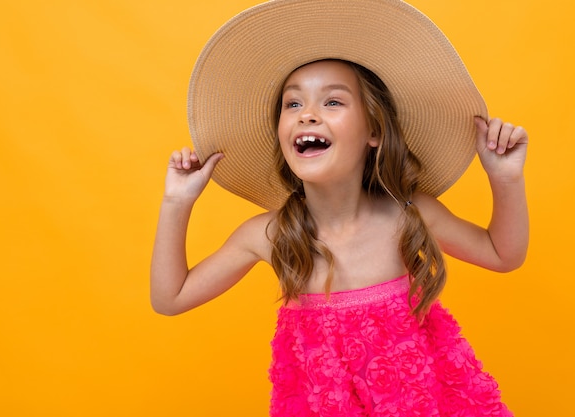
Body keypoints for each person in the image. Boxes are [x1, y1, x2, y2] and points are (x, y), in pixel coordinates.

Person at [151, 0, 528, 415]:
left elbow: (502, 254)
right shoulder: (268, 235)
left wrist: (505, 178)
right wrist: (176, 202)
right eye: (292, 104)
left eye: (332, 102)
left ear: (373, 131)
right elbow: (170, 298)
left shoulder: (406, 213)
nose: (307, 115)